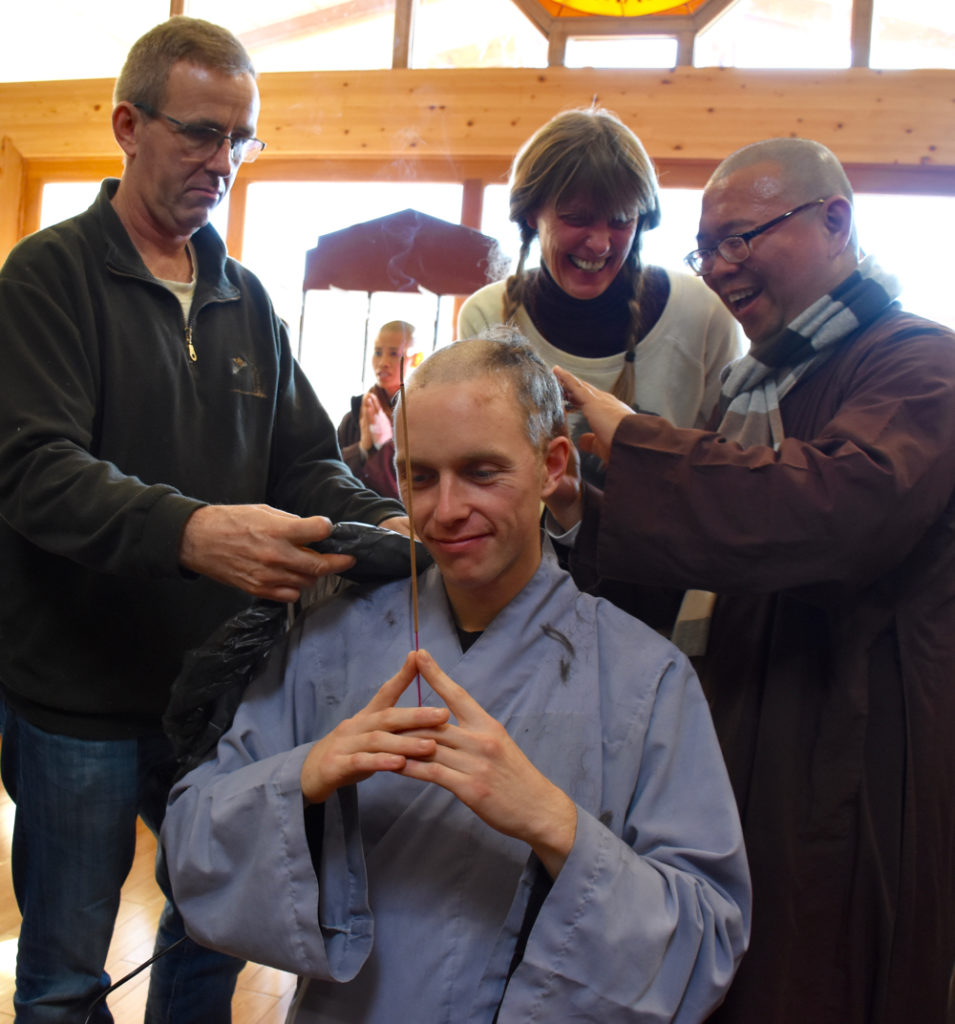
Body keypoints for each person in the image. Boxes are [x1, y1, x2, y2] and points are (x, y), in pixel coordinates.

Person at [0, 17, 407, 1024]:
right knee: (61, 981)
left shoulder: (244, 299)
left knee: (218, 936)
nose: (222, 162)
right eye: (199, 133)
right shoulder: (46, 279)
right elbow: (34, 469)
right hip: (74, 700)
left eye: (242, 139)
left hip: (219, 702)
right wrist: (192, 533)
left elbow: (308, 461)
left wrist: (403, 525)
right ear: (128, 125)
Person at [161, 335, 751, 1023]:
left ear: (550, 467)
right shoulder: (332, 640)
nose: (444, 511)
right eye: (420, 477)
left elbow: (706, 939)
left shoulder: (645, 678)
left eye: (480, 471)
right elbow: (190, 845)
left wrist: (551, 821)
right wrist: (306, 777)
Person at [546, 138, 955, 1023]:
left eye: (741, 238)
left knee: (825, 975)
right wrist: (582, 511)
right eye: (705, 249)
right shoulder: (751, 388)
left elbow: (832, 514)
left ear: (833, 221)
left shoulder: (920, 365)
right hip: (742, 734)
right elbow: (708, 553)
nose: (720, 268)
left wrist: (633, 437)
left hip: (855, 749)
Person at [458, 107, 742, 441]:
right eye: (577, 219)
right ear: (533, 213)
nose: (600, 244)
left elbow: (726, 462)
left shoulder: (704, 314)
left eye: (621, 221)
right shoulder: (486, 317)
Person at [337, 320, 417, 499]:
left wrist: (385, 444)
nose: (383, 363)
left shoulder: (423, 417)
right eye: (378, 352)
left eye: (394, 354)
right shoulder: (355, 415)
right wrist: (362, 448)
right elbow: (331, 472)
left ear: (415, 359)